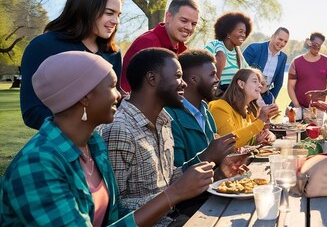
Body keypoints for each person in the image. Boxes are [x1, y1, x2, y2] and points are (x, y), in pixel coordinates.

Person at [2, 51, 214, 226]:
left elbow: (115, 216)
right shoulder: (38, 165)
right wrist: (172, 195)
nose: (120, 95)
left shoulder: (93, 145)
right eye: (112, 86)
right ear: (84, 96)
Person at [98, 48, 224, 226]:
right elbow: (115, 211)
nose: (184, 84)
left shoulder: (164, 121)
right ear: (152, 78)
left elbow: (168, 179)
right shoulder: (119, 129)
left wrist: (213, 171)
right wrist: (174, 193)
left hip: (172, 218)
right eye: (178, 76)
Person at [20, 0, 123, 130]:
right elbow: (32, 111)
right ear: (86, 9)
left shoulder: (112, 53)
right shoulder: (43, 46)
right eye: (109, 13)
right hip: (61, 146)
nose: (116, 21)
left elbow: (114, 101)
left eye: (119, 14)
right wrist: (80, 129)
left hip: (103, 145)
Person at [165, 49, 237, 170]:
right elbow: (174, 176)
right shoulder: (170, 117)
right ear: (194, 79)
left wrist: (227, 166)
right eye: (212, 74)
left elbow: (215, 162)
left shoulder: (206, 111)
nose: (217, 79)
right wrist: (209, 155)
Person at [120, 0, 200, 92]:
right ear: (168, 17)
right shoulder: (148, 43)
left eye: (193, 24)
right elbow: (137, 92)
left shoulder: (183, 50)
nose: (189, 28)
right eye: (184, 21)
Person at [209, 68, 280, 148]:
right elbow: (230, 144)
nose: (260, 86)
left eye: (260, 83)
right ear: (241, 84)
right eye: (255, 81)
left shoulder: (247, 111)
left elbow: (253, 135)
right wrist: (261, 120)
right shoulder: (219, 108)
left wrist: (268, 136)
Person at [205, 12, 253, 93]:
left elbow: (248, 72)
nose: (243, 35)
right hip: (214, 95)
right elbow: (201, 69)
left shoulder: (238, 53)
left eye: (245, 32)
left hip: (232, 96)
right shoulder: (214, 46)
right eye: (240, 31)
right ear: (228, 33)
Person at [287, 32, 327, 110]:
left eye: (320, 45)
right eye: (315, 44)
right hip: (299, 106)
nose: (317, 47)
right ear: (309, 43)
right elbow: (290, 87)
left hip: (319, 108)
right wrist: (298, 107)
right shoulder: (296, 62)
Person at [243, 27, 290, 104]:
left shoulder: (283, 57)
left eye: (285, 41)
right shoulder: (254, 48)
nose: (282, 43)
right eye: (280, 39)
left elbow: (278, 83)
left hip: (264, 96)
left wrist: (271, 100)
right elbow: (241, 72)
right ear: (273, 36)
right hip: (247, 94)